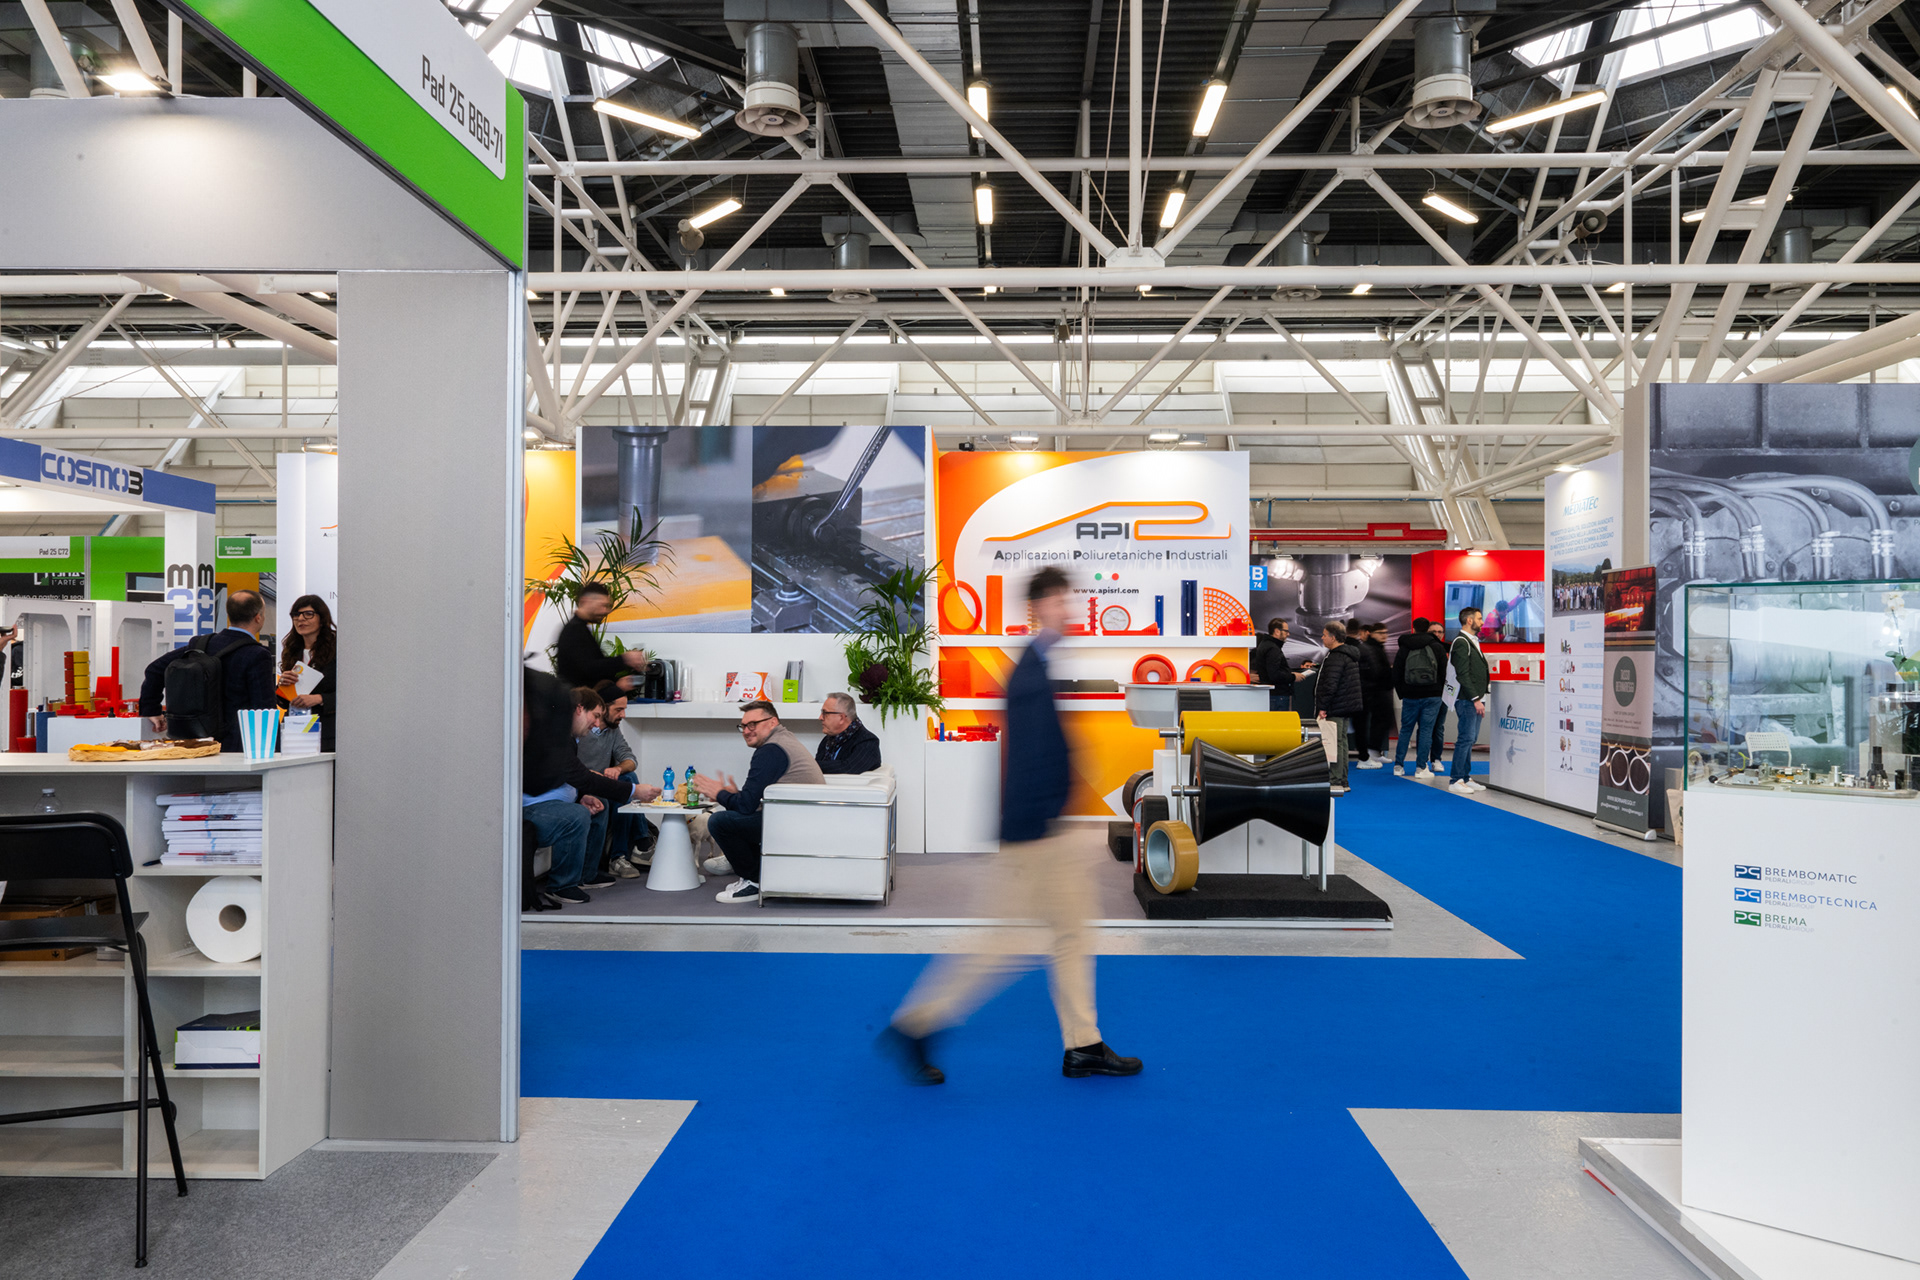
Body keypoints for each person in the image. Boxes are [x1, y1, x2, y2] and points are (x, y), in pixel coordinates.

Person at [880, 567, 1142, 1086]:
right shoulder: (1029, 673)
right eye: (1061, 602)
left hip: (1040, 830)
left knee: (1068, 933)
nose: (1069, 610)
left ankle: (1083, 1045)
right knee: (1005, 944)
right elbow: (1026, 762)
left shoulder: (1036, 665)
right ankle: (917, 1024)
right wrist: (1042, 826)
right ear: (1040, 607)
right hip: (1036, 835)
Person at [522, 672, 658, 904]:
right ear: (579, 709)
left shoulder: (568, 737)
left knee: (598, 803)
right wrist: (634, 791)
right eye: (595, 716)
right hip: (533, 809)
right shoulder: (555, 738)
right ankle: (561, 886)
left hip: (553, 800)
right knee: (576, 814)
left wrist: (581, 796)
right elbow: (583, 778)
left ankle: (587, 873)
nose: (597, 724)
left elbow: (571, 778)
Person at [693, 701, 825, 903]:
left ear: (772, 722)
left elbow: (747, 806)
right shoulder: (783, 741)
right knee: (736, 816)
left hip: (795, 823)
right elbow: (752, 800)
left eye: (753, 724)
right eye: (743, 726)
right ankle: (757, 875)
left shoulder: (771, 750)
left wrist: (720, 794)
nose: (746, 731)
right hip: (805, 819)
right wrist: (732, 795)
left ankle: (754, 881)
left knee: (720, 821)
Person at [139, 590, 277, 752]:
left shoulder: (200, 644)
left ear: (229, 615)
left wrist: (151, 709)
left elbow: (155, 669)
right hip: (235, 745)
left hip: (193, 740)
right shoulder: (257, 654)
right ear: (258, 617)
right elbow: (264, 709)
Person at [573, 687, 640, 887]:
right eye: (619, 710)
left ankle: (618, 856)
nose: (623, 715)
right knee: (607, 797)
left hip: (601, 783)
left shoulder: (613, 730)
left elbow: (630, 759)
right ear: (603, 708)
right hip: (582, 784)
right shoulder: (578, 731)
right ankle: (642, 842)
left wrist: (618, 768)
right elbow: (571, 770)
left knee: (628, 777)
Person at [554, 582, 647, 693]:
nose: (605, 611)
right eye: (602, 605)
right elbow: (588, 669)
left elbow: (593, 666)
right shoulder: (574, 631)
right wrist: (625, 659)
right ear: (585, 601)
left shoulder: (580, 629)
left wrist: (617, 683)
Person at [277, 594, 337, 753]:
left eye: (308, 614)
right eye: (296, 615)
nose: (301, 619)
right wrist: (283, 685)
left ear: (322, 619)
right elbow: (284, 701)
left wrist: (319, 699)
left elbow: (352, 694)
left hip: (327, 733)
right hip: (295, 731)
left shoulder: (338, 648)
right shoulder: (291, 650)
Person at [1391, 617, 1448, 779]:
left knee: (1405, 730)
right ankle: (1421, 768)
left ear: (1413, 628)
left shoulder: (1404, 647)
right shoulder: (1437, 646)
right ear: (1428, 629)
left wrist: (1402, 692)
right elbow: (1444, 672)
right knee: (1426, 731)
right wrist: (1439, 691)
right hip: (1433, 695)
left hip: (1410, 695)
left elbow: (1396, 672)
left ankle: (1398, 766)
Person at [1312, 622, 1365, 794]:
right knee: (1341, 742)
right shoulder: (1348, 655)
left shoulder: (1335, 657)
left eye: (1324, 634)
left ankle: (1335, 781)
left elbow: (1330, 685)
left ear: (1333, 637)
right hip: (1344, 705)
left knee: (1333, 743)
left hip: (1335, 706)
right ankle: (1342, 780)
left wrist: (1323, 706)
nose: (1322, 637)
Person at [1447, 607, 1491, 796]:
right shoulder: (1461, 642)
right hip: (1467, 699)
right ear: (1469, 621)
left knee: (1470, 739)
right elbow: (1462, 674)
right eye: (1479, 618)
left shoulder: (1472, 641)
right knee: (1465, 738)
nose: (1483, 622)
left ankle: (1465, 777)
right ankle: (1456, 779)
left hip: (1475, 698)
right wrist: (1475, 698)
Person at [1352, 621, 1392, 768]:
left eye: (1385, 633)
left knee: (1380, 721)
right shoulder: (1369, 648)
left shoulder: (1377, 648)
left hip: (1374, 690)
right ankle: (1367, 754)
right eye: (1381, 633)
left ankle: (1373, 752)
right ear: (1371, 633)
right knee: (1365, 724)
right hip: (1371, 691)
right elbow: (1376, 671)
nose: (1384, 636)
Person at [816, 692, 882, 774]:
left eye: (825, 713)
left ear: (841, 718)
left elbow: (848, 768)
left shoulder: (867, 742)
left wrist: (810, 766)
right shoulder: (827, 741)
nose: (820, 717)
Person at [1251, 618, 1296, 711]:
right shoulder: (1273, 649)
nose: (1288, 634)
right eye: (1286, 631)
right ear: (1277, 631)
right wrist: (1293, 676)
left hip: (1271, 695)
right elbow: (1274, 674)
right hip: (1277, 695)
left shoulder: (1265, 645)